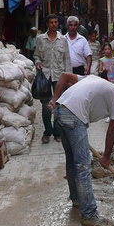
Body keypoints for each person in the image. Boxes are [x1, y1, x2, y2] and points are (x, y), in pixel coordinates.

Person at [47, 73, 114, 226]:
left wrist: (54, 99)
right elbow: (111, 130)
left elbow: (64, 76)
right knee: (84, 166)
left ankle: (77, 199)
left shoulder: (95, 79)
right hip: (74, 116)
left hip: (59, 111)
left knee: (72, 161)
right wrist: (106, 157)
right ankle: (89, 214)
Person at [34, 13, 73, 144]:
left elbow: (67, 60)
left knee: (57, 104)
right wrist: (37, 62)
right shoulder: (40, 39)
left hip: (59, 76)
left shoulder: (63, 40)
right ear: (47, 24)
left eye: (56, 22)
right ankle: (47, 131)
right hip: (45, 75)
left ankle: (57, 132)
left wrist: (69, 79)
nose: (54, 24)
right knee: (46, 105)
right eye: (51, 22)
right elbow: (36, 56)